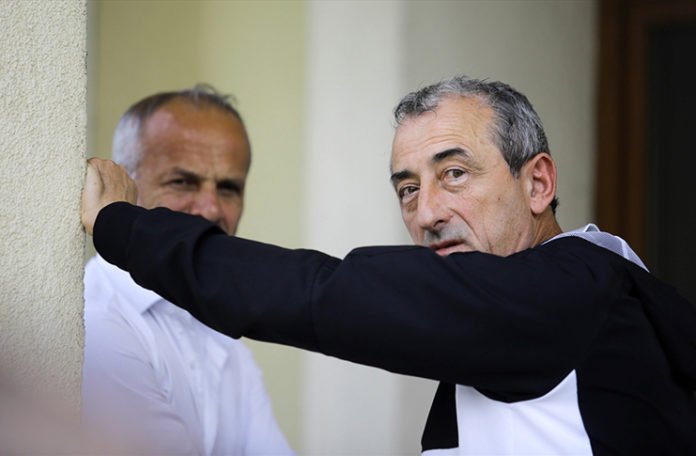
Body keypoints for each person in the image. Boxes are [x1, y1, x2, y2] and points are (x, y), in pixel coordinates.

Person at [81, 76, 696, 455]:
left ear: (537, 184)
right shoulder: (552, 302)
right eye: (407, 188)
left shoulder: (562, 292)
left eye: (454, 173)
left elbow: (321, 295)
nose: (426, 213)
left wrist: (123, 226)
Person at [81, 85, 294, 456]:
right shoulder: (94, 318)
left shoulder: (221, 322)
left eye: (228, 188)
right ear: (125, 186)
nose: (211, 209)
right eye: (182, 182)